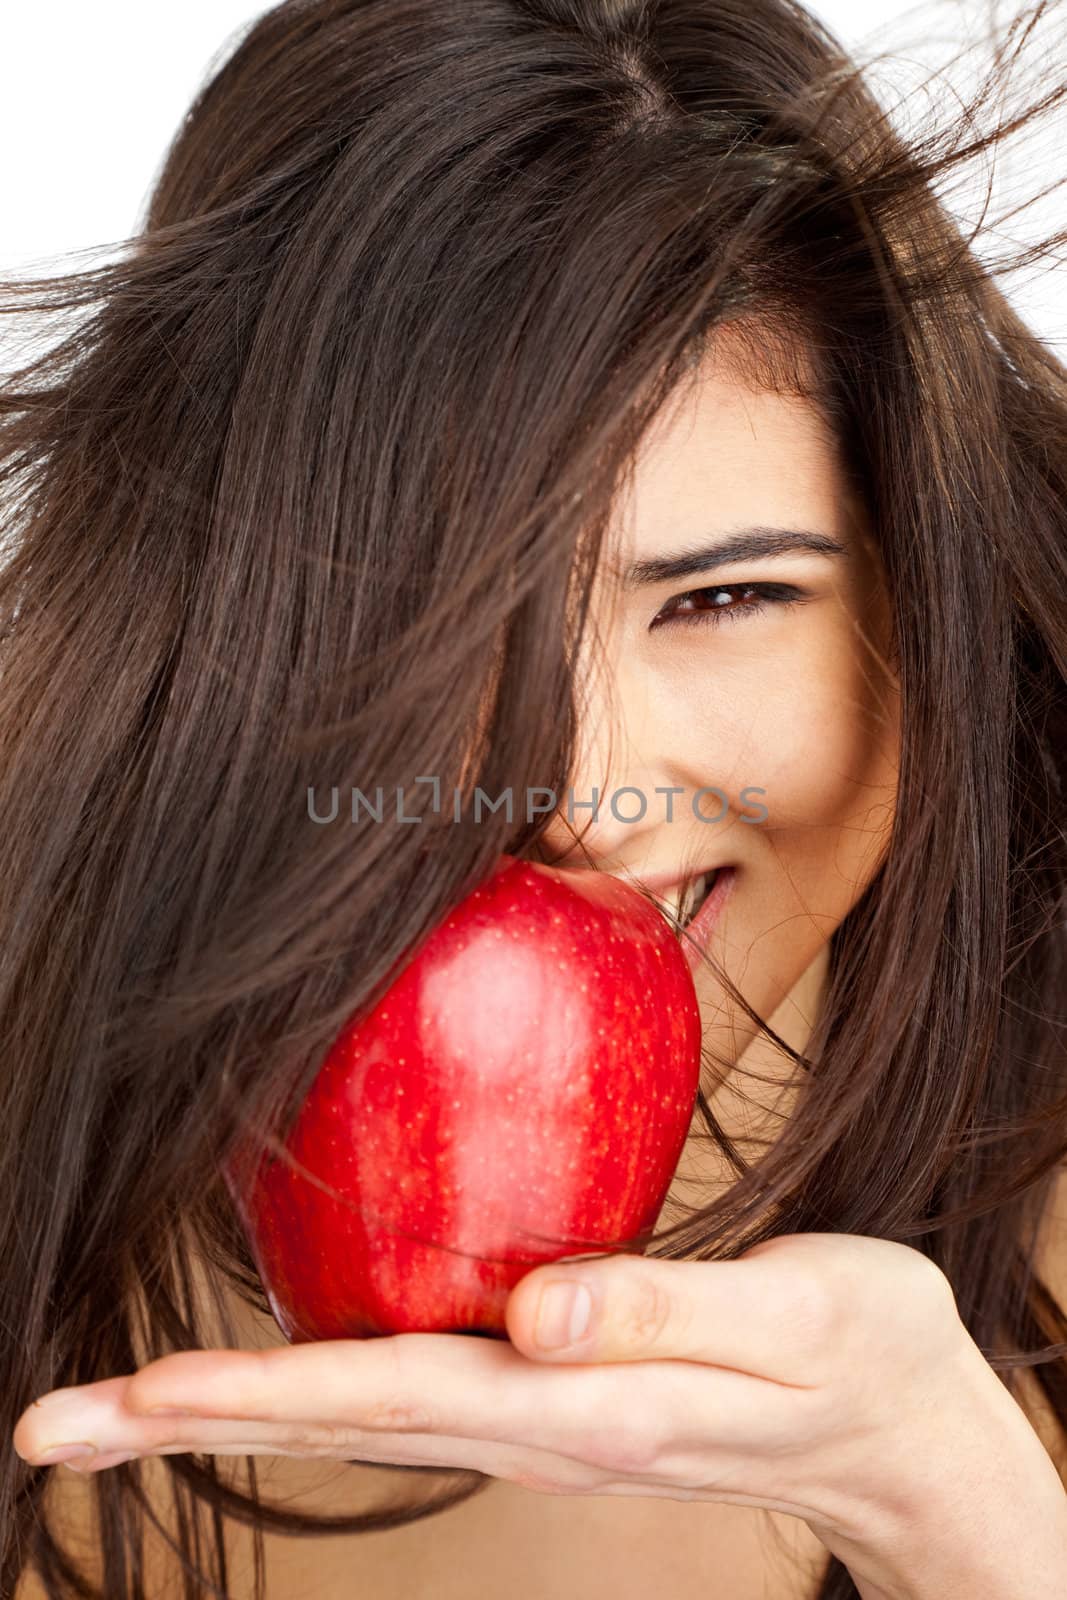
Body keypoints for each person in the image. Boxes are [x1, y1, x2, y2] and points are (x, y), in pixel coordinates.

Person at [2, 1, 1065, 1596]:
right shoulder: (49, 1181)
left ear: (925, 589)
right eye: (438, 627)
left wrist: (957, 1510)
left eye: (722, 602)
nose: (570, 795)